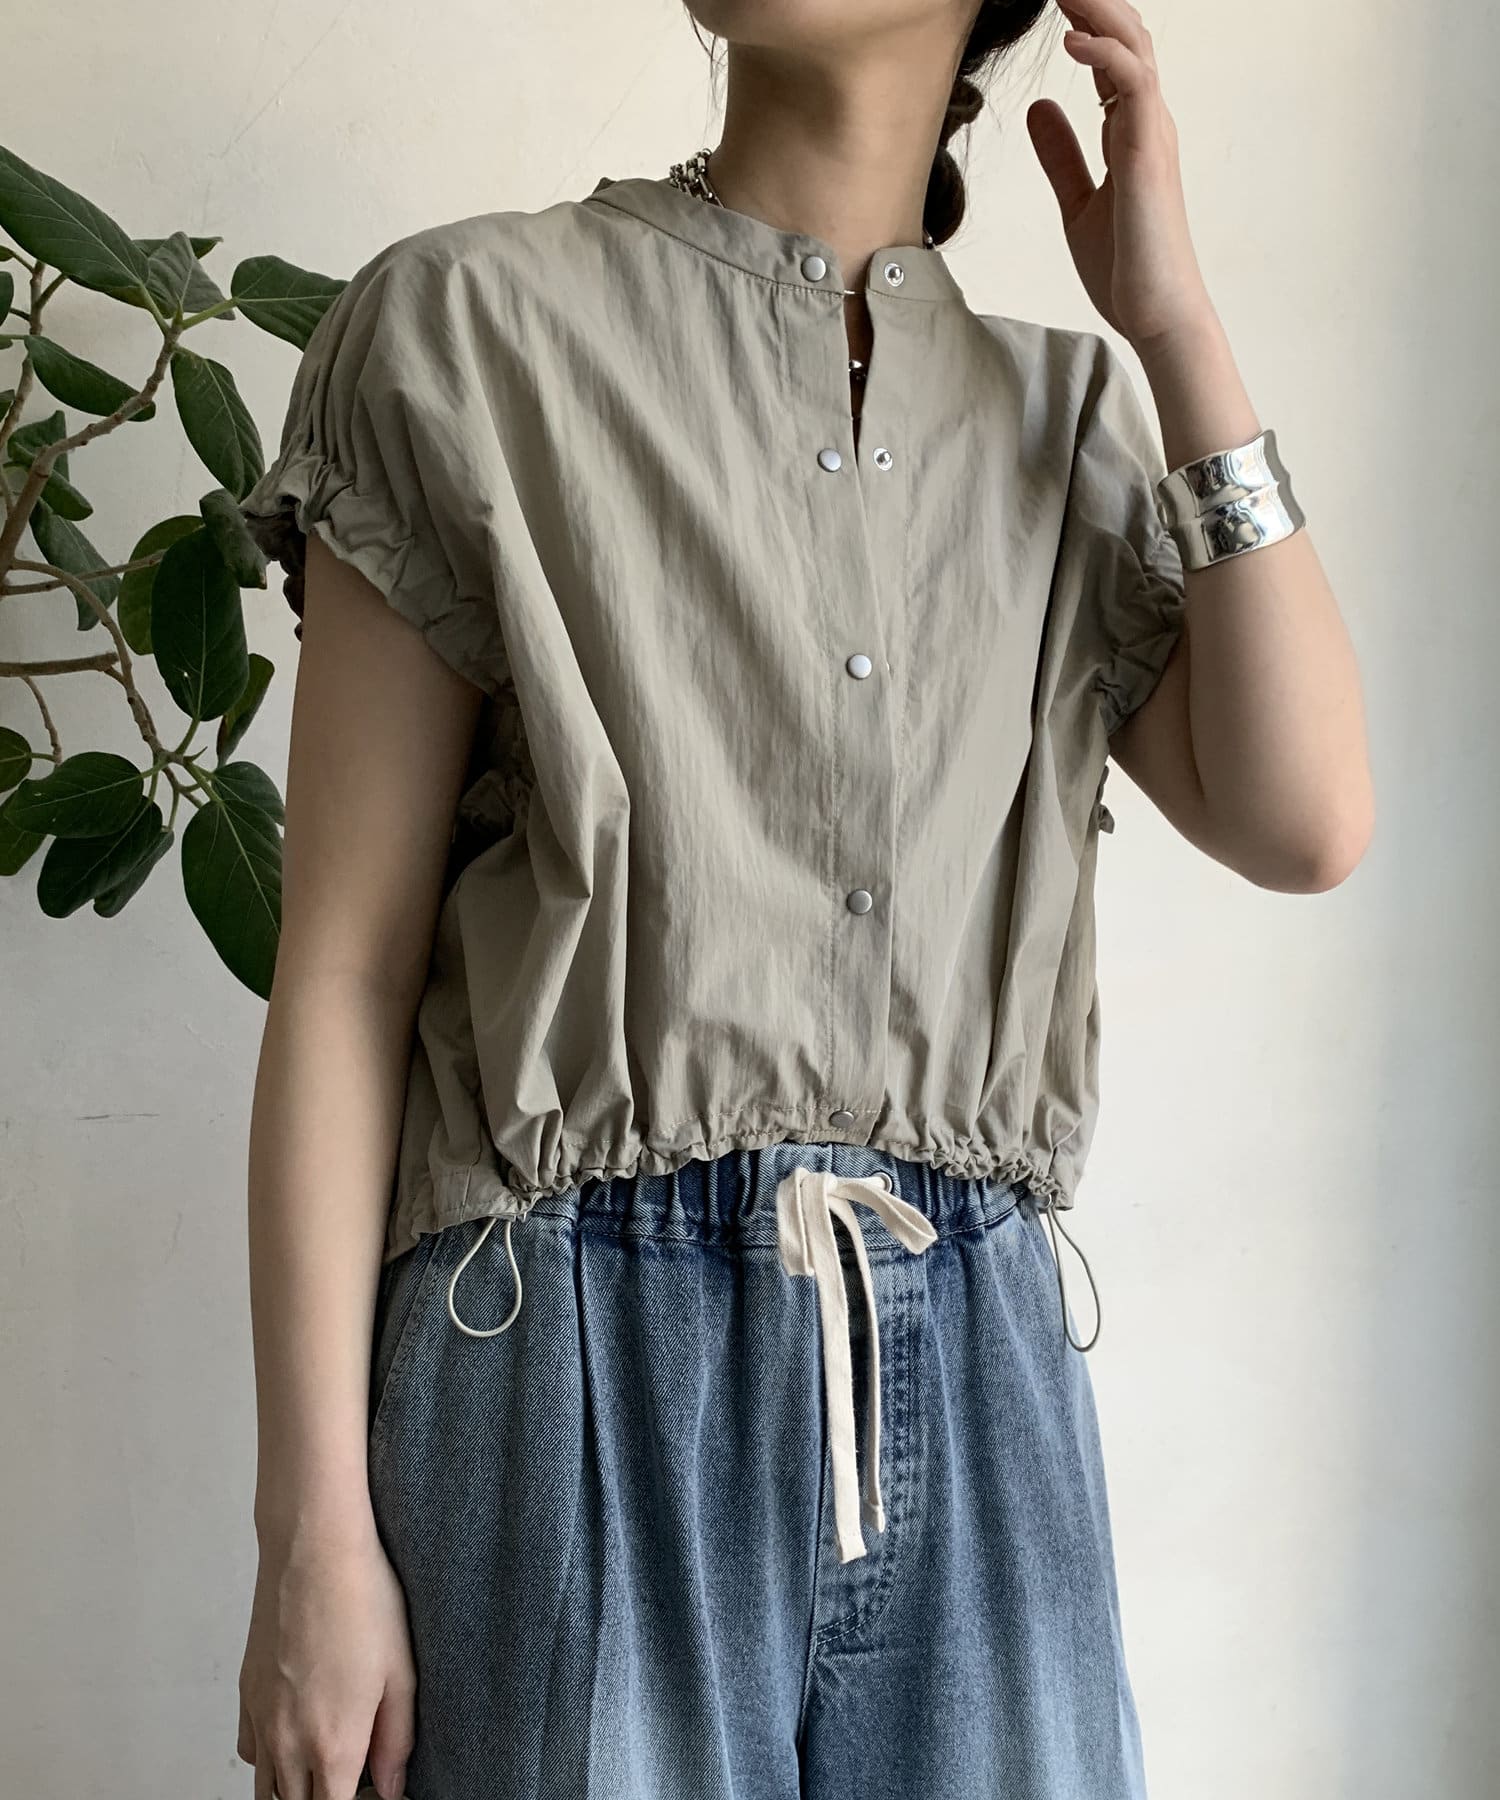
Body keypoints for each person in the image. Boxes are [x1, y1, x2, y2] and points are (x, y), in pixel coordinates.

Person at [232, 2, 1373, 1796]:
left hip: (981, 1379)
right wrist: (311, 1532)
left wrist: (1176, 325)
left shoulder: (1071, 422)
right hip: (568, 1356)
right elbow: (344, 969)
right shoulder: (465, 326)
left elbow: (1306, 819)